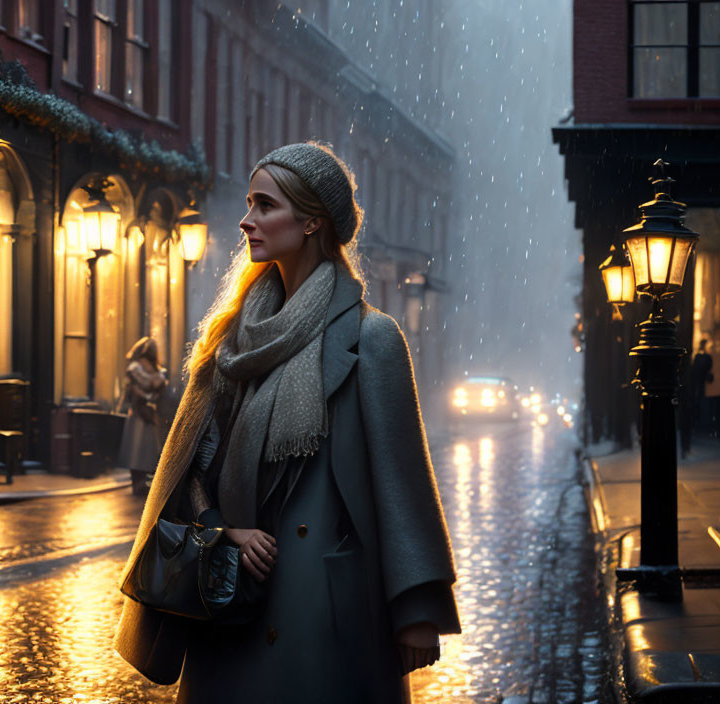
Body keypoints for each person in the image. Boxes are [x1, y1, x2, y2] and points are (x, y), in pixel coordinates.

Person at [113, 142, 461, 703]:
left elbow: (402, 484)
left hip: (328, 610)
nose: (247, 220)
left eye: (265, 205)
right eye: (249, 203)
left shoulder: (371, 339)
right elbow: (194, 467)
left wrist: (416, 610)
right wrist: (225, 529)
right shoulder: (231, 341)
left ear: (311, 222)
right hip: (234, 608)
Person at [116, 337, 168, 494]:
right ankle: (141, 484)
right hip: (148, 414)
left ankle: (138, 484)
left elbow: (133, 391)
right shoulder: (158, 372)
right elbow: (156, 391)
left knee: (137, 450)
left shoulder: (135, 368)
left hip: (139, 414)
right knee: (145, 449)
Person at [691, 339, 714, 431]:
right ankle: (698, 424)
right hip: (699, 384)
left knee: (701, 403)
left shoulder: (705, 357)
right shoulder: (700, 356)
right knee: (699, 403)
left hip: (702, 385)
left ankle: (700, 424)